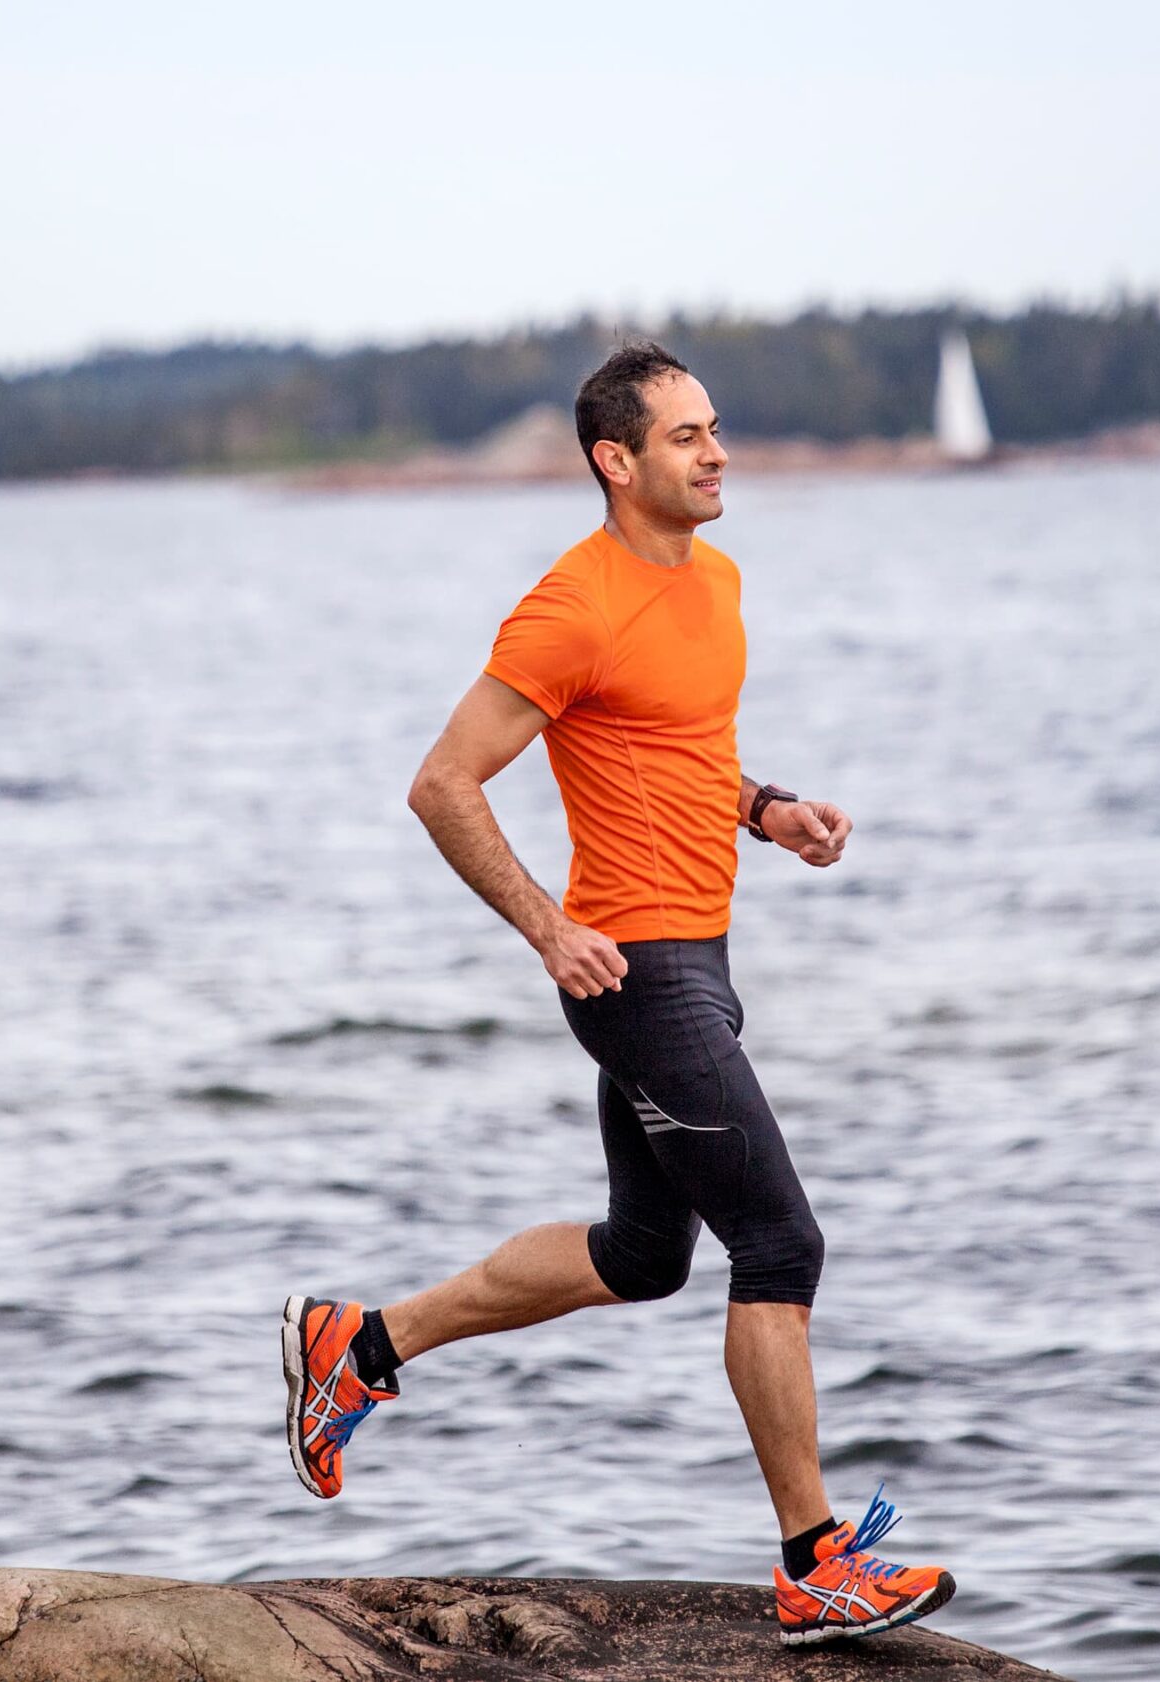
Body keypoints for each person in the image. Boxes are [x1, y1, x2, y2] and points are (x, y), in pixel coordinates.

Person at [281, 341, 954, 1645]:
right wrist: (549, 928)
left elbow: (680, 750)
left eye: (715, 428)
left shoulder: (718, 582)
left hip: (704, 959)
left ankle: (356, 1346)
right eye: (686, 436)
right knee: (781, 1246)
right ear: (616, 459)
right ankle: (815, 1563)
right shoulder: (570, 607)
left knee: (644, 1257)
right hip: (634, 975)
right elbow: (441, 784)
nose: (717, 453)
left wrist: (768, 808)